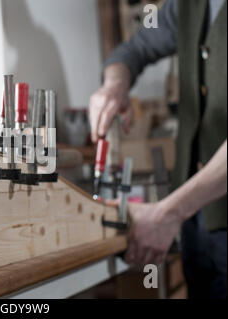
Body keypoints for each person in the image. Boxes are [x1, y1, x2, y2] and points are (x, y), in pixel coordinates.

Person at [89, 0, 227, 299]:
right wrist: (114, 84)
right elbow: (136, 48)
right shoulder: (185, 6)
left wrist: (169, 212)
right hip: (196, 221)